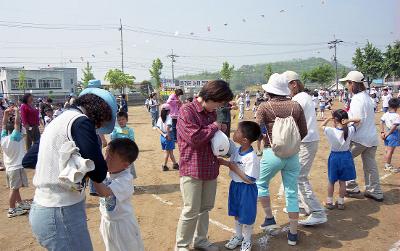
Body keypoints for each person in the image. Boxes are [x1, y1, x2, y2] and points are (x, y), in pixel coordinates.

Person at [29, 88, 117, 250]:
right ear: (99, 111)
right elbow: (98, 172)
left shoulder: (57, 121)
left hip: (43, 207)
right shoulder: (81, 121)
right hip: (61, 211)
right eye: (101, 122)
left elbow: (28, 160)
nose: (98, 127)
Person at [175, 80, 233, 251]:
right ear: (210, 97)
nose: (218, 107)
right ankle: (182, 246)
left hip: (210, 167)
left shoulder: (212, 113)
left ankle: (200, 240)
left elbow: (218, 139)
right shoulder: (187, 110)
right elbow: (194, 138)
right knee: (191, 209)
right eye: (218, 103)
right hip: (192, 168)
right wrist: (215, 126)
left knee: (205, 208)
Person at [256, 73, 307, 246]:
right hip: (292, 155)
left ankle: (269, 218)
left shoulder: (264, 107)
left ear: (269, 90)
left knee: (261, 184)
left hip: (272, 154)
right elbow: (304, 131)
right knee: (291, 192)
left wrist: (267, 138)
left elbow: (260, 131)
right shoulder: (296, 105)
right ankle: (293, 235)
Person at [286, 71, 327, 226]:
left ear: (294, 84)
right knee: (296, 173)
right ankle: (302, 205)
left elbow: (289, 120)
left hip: (306, 141)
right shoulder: (303, 97)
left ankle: (317, 212)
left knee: (299, 176)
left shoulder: (298, 99)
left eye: (287, 86)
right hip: (305, 140)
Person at [93, 138, 144, 251]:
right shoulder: (107, 172)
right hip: (107, 222)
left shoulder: (125, 179)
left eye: (110, 157)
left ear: (125, 165)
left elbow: (104, 192)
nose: (105, 159)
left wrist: (93, 174)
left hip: (123, 226)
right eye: (106, 153)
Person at [340, 71, 384, 202]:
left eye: (347, 83)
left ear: (353, 83)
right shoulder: (367, 97)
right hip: (371, 137)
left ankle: (352, 187)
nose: (347, 86)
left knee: (344, 158)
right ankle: (375, 191)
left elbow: (357, 120)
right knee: (370, 165)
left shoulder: (357, 99)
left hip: (360, 138)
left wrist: (345, 127)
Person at [219, 121, 261, 251]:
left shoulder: (252, 158)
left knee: (247, 216)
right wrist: (224, 163)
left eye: (237, 131)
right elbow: (232, 163)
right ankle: (238, 236)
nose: (234, 133)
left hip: (246, 189)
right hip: (235, 186)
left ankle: (247, 240)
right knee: (237, 213)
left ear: (244, 140)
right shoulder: (237, 150)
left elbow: (250, 180)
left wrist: (234, 168)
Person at [321, 110, 360, 210]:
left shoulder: (330, 130)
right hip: (346, 156)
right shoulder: (350, 130)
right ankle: (341, 202)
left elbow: (322, 125)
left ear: (335, 120)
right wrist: (347, 121)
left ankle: (329, 202)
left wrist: (329, 118)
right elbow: (359, 120)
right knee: (342, 182)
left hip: (335, 157)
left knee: (331, 181)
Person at [1, 106, 30, 217]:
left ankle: (20, 203)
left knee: (15, 188)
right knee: (13, 189)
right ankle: (11, 210)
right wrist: (17, 112)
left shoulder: (3, 138)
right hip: (15, 167)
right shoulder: (15, 137)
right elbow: (17, 123)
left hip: (10, 167)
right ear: (13, 130)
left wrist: (5, 114)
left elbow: (3, 125)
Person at [111, 111, 138, 179]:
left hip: (127, 153)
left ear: (127, 120)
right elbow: (113, 140)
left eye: (123, 119)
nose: (121, 121)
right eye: (119, 120)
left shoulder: (130, 130)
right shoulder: (115, 130)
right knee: (119, 170)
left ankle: (130, 184)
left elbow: (132, 140)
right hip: (118, 154)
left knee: (129, 169)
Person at [156, 104, 179, 171]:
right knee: (167, 152)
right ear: (168, 111)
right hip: (169, 136)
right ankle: (164, 165)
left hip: (162, 137)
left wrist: (164, 135)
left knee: (170, 152)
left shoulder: (160, 117)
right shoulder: (169, 117)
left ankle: (175, 164)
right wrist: (168, 135)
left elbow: (157, 128)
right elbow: (168, 127)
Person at [380, 98, 400, 173]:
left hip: (387, 133)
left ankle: (387, 164)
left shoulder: (386, 114)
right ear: (397, 106)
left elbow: (381, 122)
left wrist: (382, 132)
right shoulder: (396, 116)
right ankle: (387, 165)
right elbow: (394, 127)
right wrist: (388, 134)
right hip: (393, 134)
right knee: (390, 151)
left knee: (388, 150)